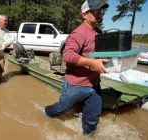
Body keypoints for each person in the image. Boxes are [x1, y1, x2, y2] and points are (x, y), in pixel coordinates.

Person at [44, 0, 109, 135]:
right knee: (60, 109)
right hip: (75, 85)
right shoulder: (79, 33)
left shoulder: (98, 32)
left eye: (100, 11)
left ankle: (88, 137)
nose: (99, 14)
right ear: (84, 14)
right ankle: (45, 112)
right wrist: (92, 63)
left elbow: (99, 54)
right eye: (95, 11)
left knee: (92, 120)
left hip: (94, 84)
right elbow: (67, 55)